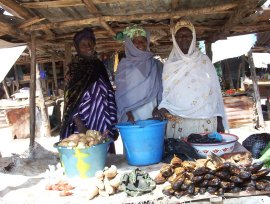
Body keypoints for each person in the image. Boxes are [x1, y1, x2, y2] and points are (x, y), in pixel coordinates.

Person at [157, 18, 228, 139]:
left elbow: (214, 91)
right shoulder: (170, 65)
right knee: (181, 156)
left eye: (188, 36)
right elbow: (167, 93)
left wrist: (219, 117)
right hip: (179, 120)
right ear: (174, 38)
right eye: (180, 36)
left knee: (205, 155)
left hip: (205, 119)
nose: (184, 39)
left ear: (193, 37)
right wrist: (163, 107)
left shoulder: (204, 60)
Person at [60, 27, 118, 153]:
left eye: (91, 43)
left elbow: (108, 91)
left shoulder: (99, 65)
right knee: (84, 151)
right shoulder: (75, 69)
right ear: (77, 47)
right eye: (84, 45)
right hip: (82, 121)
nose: (89, 47)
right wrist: (79, 124)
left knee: (105, 156)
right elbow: (71, 102)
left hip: (103, 119)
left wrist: (111, 118)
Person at [115, 25, 163, 123]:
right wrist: (127, 113)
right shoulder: (124, 66)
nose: (140, 44)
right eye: (136, 41)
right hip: (131, 115)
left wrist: (159, 108)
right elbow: (120, 94)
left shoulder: (156, 64)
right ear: (130, 44)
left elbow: (163, 89)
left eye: (143, 40)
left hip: (153, 113)